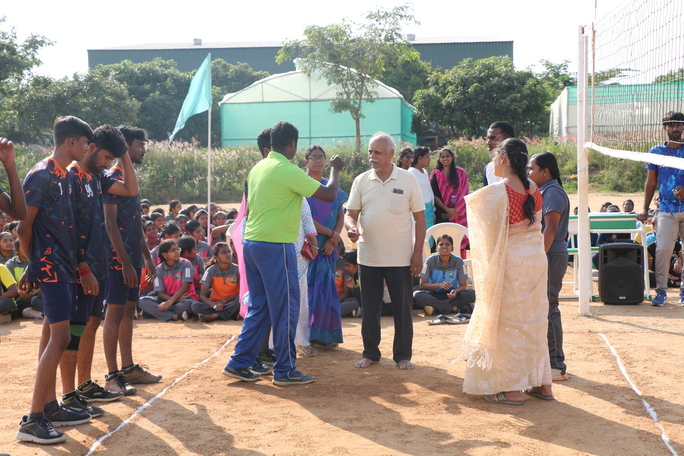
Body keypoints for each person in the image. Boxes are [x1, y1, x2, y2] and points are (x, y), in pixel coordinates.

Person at [222, 121, 343, 386]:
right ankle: (285, 370)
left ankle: (239, 362)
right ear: (292, 144)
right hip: (276, 246)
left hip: (253, 244)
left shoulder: (258, 167)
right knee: (286, 308)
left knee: (260, 307)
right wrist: (335, 169)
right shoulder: (287, 170)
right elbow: (330, 193)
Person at [16, 116, 92, 444]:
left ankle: (48, 406)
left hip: (63, 266)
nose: (87, 149)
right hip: (51, 267)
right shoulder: (42, 174)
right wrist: (33, 266)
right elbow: (24, 227)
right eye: (85, 143)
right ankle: (33, 420)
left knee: (52, 333)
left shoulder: (65, 175)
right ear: (71, 141)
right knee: (60, 337)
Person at [461, 138, 553, 405]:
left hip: (511, 265)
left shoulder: (496, 192)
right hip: (535, 262)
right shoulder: (535, 188)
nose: (492, 161)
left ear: (503, 158)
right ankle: (543, 384)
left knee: (505, 325)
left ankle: (511, 389)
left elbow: (484, 233)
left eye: (494, 156)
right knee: (534, 323)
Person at [60, 124, 139, 415]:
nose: (108, 163)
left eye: (112, 159)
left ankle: (84, 385)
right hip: (79, 268)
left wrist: (123, 154)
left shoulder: (98, 176)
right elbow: (66, 225)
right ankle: (69, 395)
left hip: (100, 264)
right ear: (91, 147)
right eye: (107, 157)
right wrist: (82, 265)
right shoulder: (71, 176)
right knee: (74, 330)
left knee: (91, 325)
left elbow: (131, 189)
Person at [345, 131, 426, 370]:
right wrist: (351, 228)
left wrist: (417, 253)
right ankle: (370, 353)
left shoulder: (407, 179)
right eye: (370, 151)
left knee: (403, 309)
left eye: (378, 152)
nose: (373, 156)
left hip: (400, 257)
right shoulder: (361, 180)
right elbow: (350, 214)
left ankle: (403, 355)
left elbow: (420, 218)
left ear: (391, 154)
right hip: (368, 256)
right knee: (370, 309)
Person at [102, 125, 159, 398]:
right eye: (139, 144)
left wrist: (146, 256)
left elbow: (134, 223)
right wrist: (124, 262)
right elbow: (110, 224)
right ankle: (112, 376)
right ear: (125, 146)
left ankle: (128, 368)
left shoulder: (129, 178)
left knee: (128, 311)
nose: (143, 149)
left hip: (132, 258)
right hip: (117, 259)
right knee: (114, 313)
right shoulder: (112, 178)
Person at [528, 151, 570, 382]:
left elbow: (551, 228)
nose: (529, 172)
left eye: (532, 168)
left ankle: (556, 364)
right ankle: (549, 360)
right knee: (544, 307)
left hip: (551, 254)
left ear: (545, 172)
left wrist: (539, 256)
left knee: (549, 307)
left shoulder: (552, 192)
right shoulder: (545, 190)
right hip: (550, 253)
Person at [637, 111, 684, 306]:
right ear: (665, 128)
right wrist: (645, 208)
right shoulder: (656, 151)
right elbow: (651, 182)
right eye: (671, 125)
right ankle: (661, 291)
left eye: (678, 125)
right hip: (666, 209)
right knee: (663, 248)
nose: (675, 128)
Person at [305, 145, 348, 349]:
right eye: (314, 157)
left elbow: (340, 214)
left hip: (329, 247)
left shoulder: (330, 185)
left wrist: (333, 239)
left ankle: (327, 336)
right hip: (309, 246)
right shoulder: (302, 185)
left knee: (327, 291)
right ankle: (307, 335)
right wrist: (330, 235)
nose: (318, 160)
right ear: (306, 161)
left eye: (321, 157)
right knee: (309, 291)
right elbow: (305, 218)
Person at [413, 234, 476, 317]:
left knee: (471, 293)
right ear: (436, 248)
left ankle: (436, 308)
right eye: (441, 244)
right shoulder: (430, 261)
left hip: (451, 295)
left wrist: (456, 291)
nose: (444, 247)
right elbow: (422, 285)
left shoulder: (459, 261)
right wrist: (439, 285)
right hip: (433, 294)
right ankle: (455, 309)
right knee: (417, 295)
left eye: (447, 244)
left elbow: (463, 285)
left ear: (452, 248)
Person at [139, 239, 197, 322]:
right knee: (142, 301)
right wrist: (170, 301)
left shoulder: (186, 264)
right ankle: (173, 316)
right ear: (164, 254)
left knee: (187, 305)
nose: (177, 252)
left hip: (185, 298)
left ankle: (154, 312)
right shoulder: (159, 269)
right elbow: (160, 292)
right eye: (173, 250)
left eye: (178, 249)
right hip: (167, 299)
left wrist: (171, 302)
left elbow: (185, 286)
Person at [431, 147, 469, 256]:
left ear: (452, 157)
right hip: (443, 215)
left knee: (459, 241)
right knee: (444, 243)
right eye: (442, 157)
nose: (445, 159)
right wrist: (448, 210)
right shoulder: (436, 174)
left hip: (459, 213)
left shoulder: (460, 173)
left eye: (447, 156)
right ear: (439, 159)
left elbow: (464, 192)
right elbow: (435, 195)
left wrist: (456, 210)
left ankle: (461, 265)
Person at [192, 242, 240, 322]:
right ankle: (229, 314)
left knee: (242, 300)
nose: (228, 254)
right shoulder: (210, 270)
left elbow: (242, 292)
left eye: (229, 252)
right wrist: (214, 306)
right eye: (224, 253)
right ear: (216, 257)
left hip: (233, 302)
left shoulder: (237, 269)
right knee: (195, 306)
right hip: (216, 303)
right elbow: (202, 295)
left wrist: (224, 301)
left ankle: (216, 315)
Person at [408, 146, 436, 231]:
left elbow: (428, 189)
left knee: (431, 233)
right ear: (420, 158)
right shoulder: (411, 173)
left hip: (429, 208)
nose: (429, 159)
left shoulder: (425, 172)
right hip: (419, 209)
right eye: (427, 157)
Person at [482, 121, 515, 186]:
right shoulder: (488, 168)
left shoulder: (522, 168)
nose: (488, 142)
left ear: (507, 140)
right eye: (487, 138)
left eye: (493, 138)